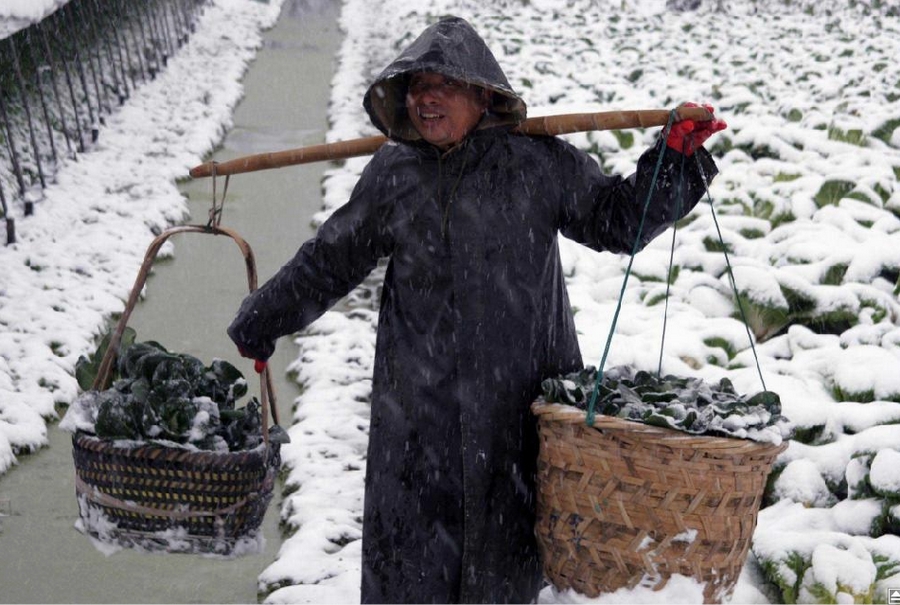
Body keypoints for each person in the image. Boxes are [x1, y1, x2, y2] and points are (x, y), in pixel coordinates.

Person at [227, 15, 726, 604]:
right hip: (418, 415)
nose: (426, 98)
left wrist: (670, 161)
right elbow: (330, 260)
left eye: (444, 85)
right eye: (416, 87)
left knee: (506, 567)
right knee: (413, 570)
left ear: (484, 95)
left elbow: (618, 221)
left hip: (516, 410)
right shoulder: (395, 174)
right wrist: (261, 323)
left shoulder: (538, 162)